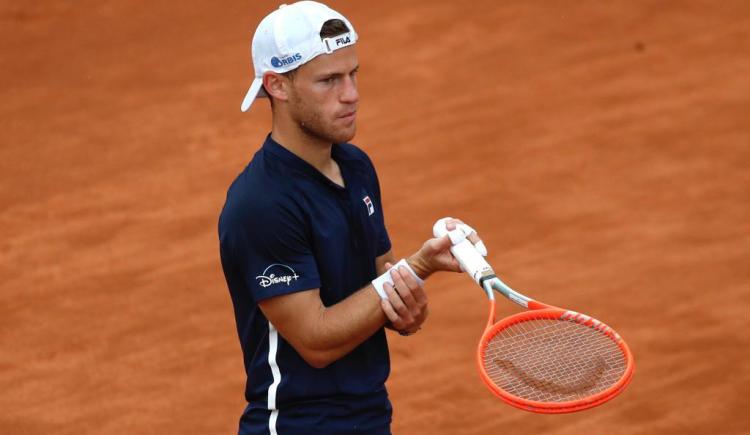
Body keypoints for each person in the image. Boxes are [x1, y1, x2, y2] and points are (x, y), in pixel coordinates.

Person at [218, 2, 484, 434]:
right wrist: (416, 269)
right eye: (329, 81)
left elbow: (382, 282)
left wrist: (410, 295)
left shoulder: (356, 167)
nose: (351, 94)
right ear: (277, 86)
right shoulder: (260, 204)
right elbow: (316, 340)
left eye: (353, 74)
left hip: (371, 418)